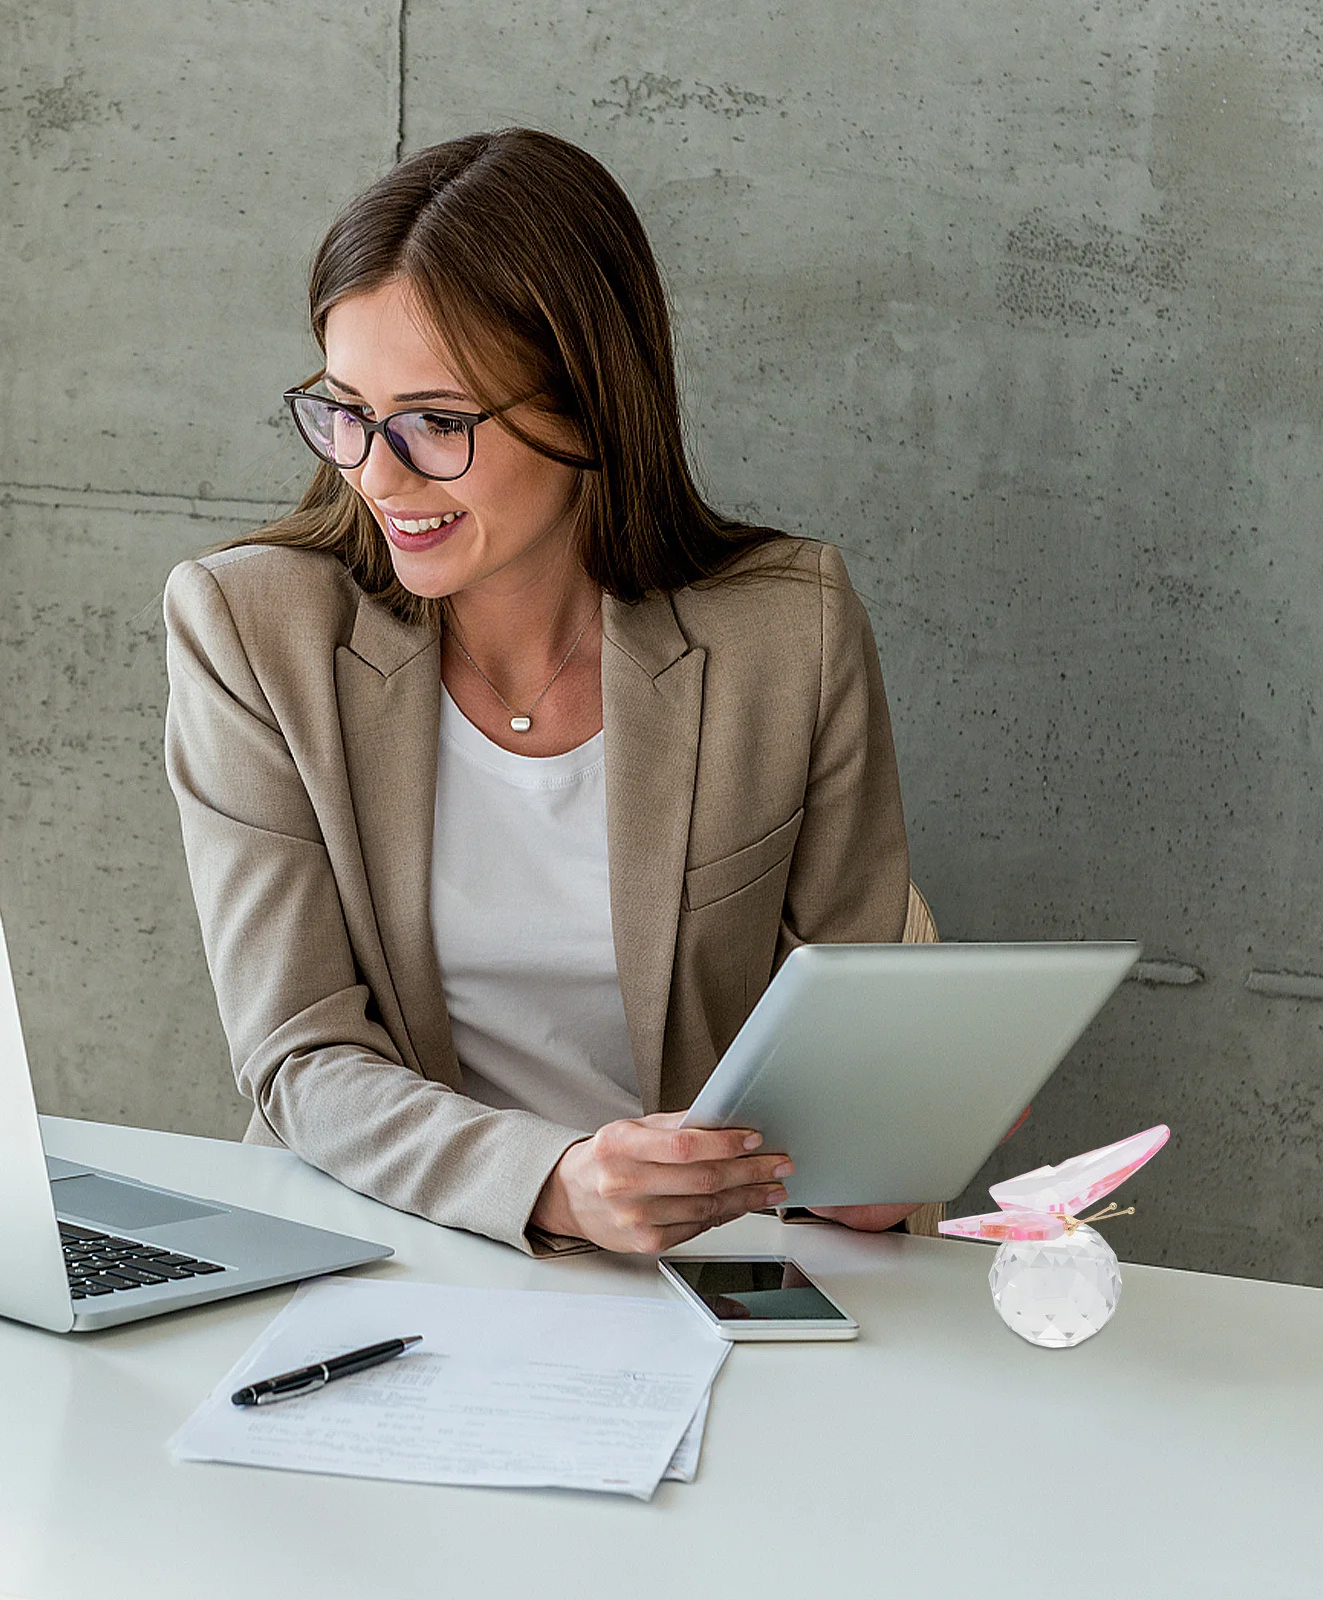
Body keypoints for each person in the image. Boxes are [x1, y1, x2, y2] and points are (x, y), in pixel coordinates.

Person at [164, 127, 920, 1257]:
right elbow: (298, 1054)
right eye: (347, 410)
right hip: (378, 1246)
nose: (376, 473)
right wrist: (554, 1182)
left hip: (697, 1271)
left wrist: (876, 1147)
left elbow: (846, 1051)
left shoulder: (787, 633)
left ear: (589, 408)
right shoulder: (252, 628)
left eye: (437, 422)